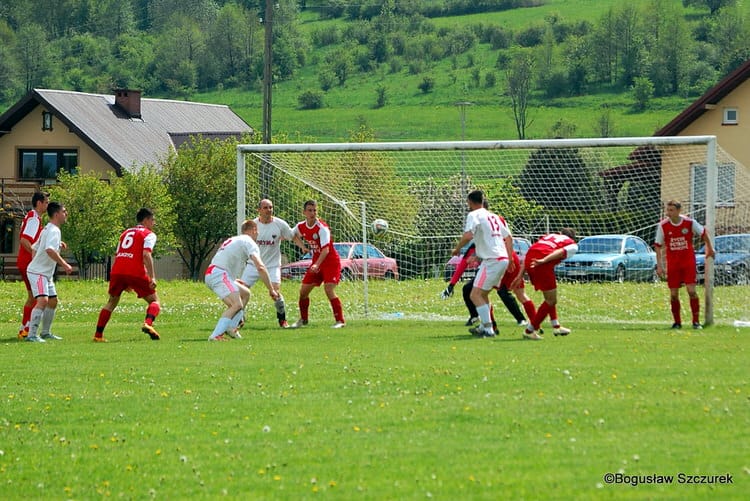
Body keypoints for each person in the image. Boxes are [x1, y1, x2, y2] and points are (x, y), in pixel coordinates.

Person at [451, 190, 513, 338]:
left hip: (492, 260)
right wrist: (509, 259)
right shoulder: (494, 216)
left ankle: (488, 329)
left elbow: (468, 235)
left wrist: (457, 249)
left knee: (475, 294)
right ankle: (485, 327)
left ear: (470, 202)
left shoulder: (474, 215)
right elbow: (509, 237)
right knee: (483, 294)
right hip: (501, 259)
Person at [93, 208, 162, 342]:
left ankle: (98, 335)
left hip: (118, 270)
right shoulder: (149, 234)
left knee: (111, 302)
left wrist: (126, 281)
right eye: (153, 220)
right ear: (146, 220)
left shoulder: (125, 233)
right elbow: (146, 255)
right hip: (135, 270)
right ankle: (148, 323)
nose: (154, 223)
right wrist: (152, 276)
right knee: (155, 301)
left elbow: (118, 253)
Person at [205, 219, 279, 341]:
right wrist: (271, 289)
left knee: (245, 293)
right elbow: (260, 267)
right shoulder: (249, 242)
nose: (257, 235)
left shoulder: (234, 239)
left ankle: (231, 327)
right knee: (236, 305)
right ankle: (215, 335)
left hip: (214, 273)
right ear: (254, 230)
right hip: (219, 274)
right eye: (257, 231)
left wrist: (233, 279)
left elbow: (225, 258)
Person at [240, 199, 307, 329]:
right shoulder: (252, 225)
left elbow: (292, 236)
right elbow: (244, 243)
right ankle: (239, 318)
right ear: (259, 210)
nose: (268, 210)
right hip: (253, 265)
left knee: (275, 292)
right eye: (265, 208)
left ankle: (282, 319)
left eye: (270, 207)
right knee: (242, 291)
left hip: (272, 266)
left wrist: (303, 247)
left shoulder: (280, 224)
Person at [442, 242, 531, 329]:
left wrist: (459, 249)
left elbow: (507, 239)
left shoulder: (490, 240)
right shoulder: (476, 245)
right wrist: (451, 285)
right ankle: (478, 318)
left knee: (508, 292)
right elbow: (463, 264)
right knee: (470, 289)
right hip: (493, 266)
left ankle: (523, 320)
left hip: (507, 263)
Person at [654, 200, 714, 329]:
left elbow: (704, 233)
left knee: (691, 291)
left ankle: (696, 322)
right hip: (673, 264)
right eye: (667, 210)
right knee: (674, 294)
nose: (668, 213)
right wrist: (660, 265)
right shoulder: (663, 226)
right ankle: (677, 322)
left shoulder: (689, 223)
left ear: (678, 211)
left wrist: (710, 248)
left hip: (688, 262)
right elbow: (658, 246)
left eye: (671, 210)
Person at [512, 229, 577, 340]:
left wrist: (519, 276)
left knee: (549, 297)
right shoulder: (573, 244)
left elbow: (531, 252)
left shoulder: (549, 236)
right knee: (551, 300)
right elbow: (561, 252)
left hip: (530, 260)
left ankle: (556, 326)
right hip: (542, 263)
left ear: (560, 234)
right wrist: (543, 260)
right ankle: (530, 330)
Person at [289, 200, 346, 329]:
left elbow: (325, 250)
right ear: (304, 212)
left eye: (315, 210)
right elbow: (292, 236)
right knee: (303, 292)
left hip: (330, 262)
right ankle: (303, 320)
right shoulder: (300, 226)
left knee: (329, 289)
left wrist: (316, 265)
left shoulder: (322, 228)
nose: (312, 213)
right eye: (310, 210)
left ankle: (340, 321)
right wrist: (303, 247)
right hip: (317, 262)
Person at [24, 202, 73, 342]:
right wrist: (64, 264)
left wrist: (58, 244)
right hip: (39, 273)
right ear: (57, 214)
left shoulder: (48, 229)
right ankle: (32, 335)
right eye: (64, 211)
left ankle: (45, 332)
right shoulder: (53, 230)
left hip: (44, 273)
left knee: (52, 301)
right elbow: (49, 250)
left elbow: (35, 247)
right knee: (42, 301)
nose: (66, 214)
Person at [16, 192, 50, 339]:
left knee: (33, 296)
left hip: (27, 262)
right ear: (39, 203)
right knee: (37, 297)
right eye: (46, 202)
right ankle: (26, 329)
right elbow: (24, 240)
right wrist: (35, 257)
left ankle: (25, 328)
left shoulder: (35, 218)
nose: (48, 205)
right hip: (28, 262)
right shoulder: (34, 218)